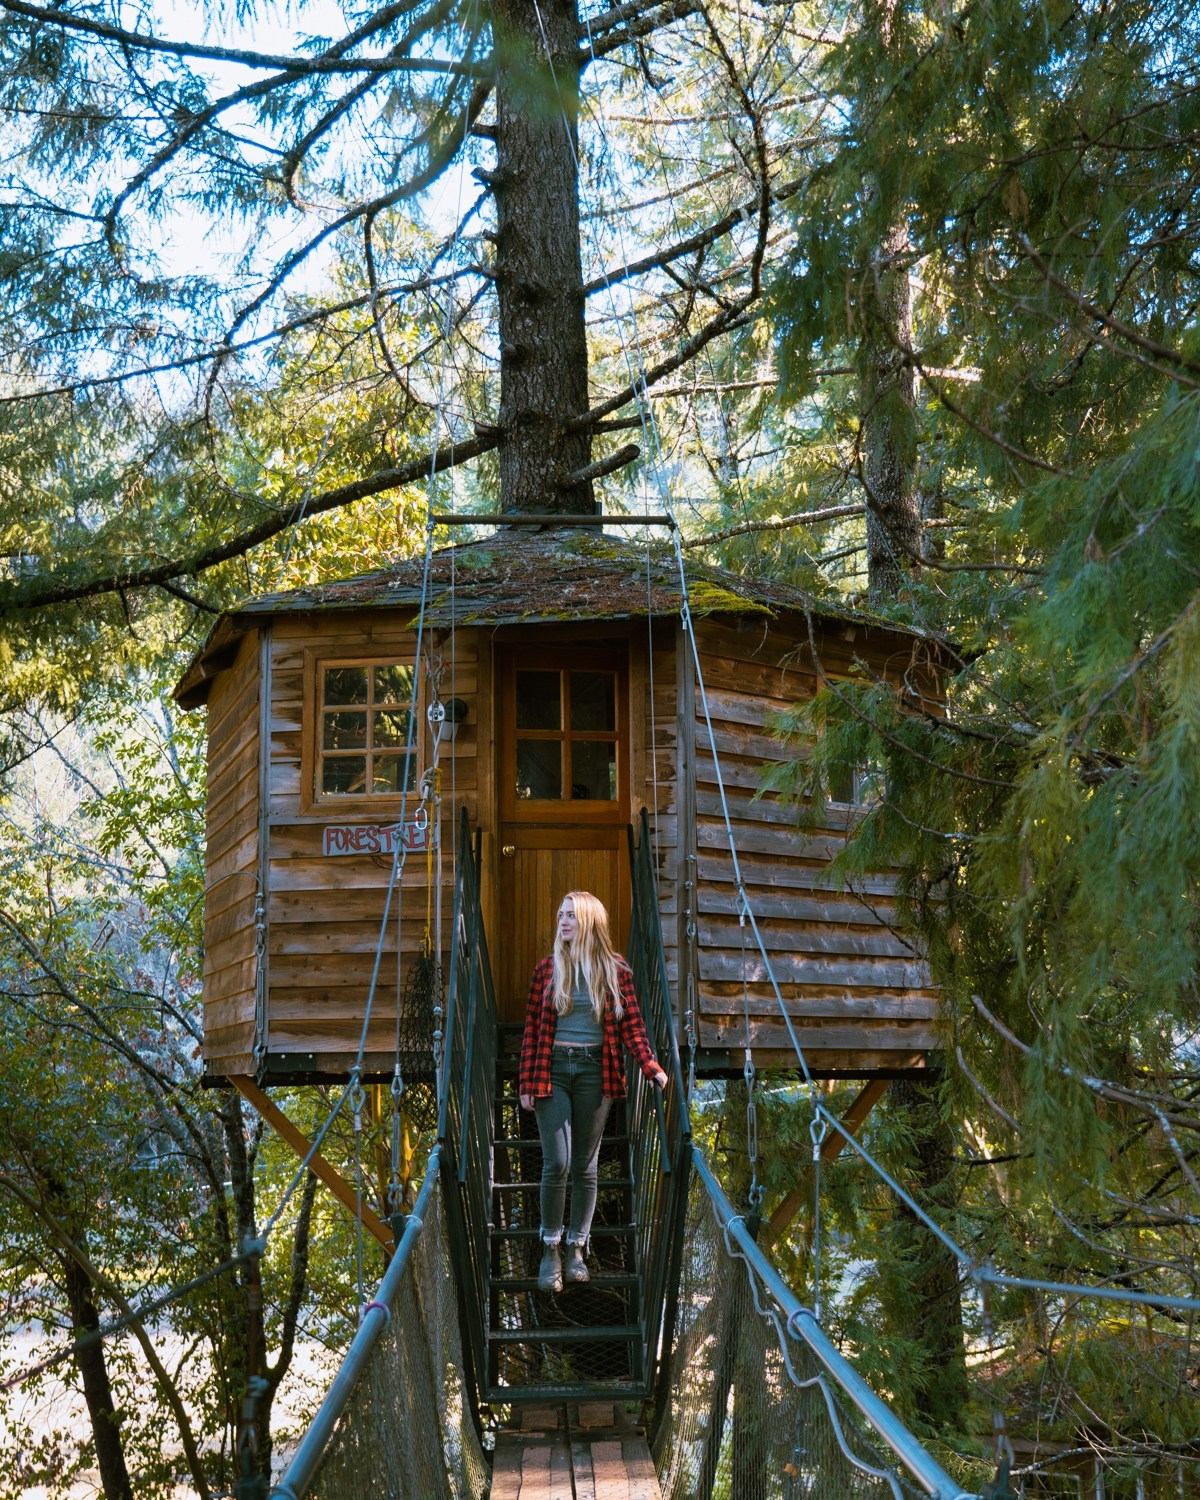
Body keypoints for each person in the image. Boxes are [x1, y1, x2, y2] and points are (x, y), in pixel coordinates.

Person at [518, 890, 668, 1293]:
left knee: (585, 1166)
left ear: (587, 921)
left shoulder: (615, 971)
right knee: (558, 1163)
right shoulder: (547, 970)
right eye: (560, 914)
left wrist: (650, 1066)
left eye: (571, 915)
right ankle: (550, 1249)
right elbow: (533, 1031)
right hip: (553, 1071)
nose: (563, 921)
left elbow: (633, 1027)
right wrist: (527, 1083)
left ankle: (576, 1250)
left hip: (595, 1073)